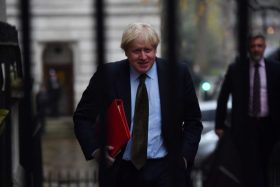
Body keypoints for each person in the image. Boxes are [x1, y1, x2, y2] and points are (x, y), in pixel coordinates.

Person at [73, 23, 202, 187]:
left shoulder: (177, 74)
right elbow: (82, 118)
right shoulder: (108, 75)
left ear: (155, 50)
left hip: (166, 170)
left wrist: (184, 157)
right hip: (120, 171)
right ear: (126, 52)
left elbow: (193, 121)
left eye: (148, 50)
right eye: (136, 51)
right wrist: (96, 151)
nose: (143, 56)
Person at [215, 33, 280, 187]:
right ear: (248, 48)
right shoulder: (236, 69)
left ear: (264, 47)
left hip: (270, 125)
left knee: (267, 165)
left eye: (259, 46)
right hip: (245, 126)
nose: (256, 49)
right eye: (253, 46)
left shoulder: (276, 69)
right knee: (248, 167)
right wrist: (219, 125)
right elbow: (223, 97)